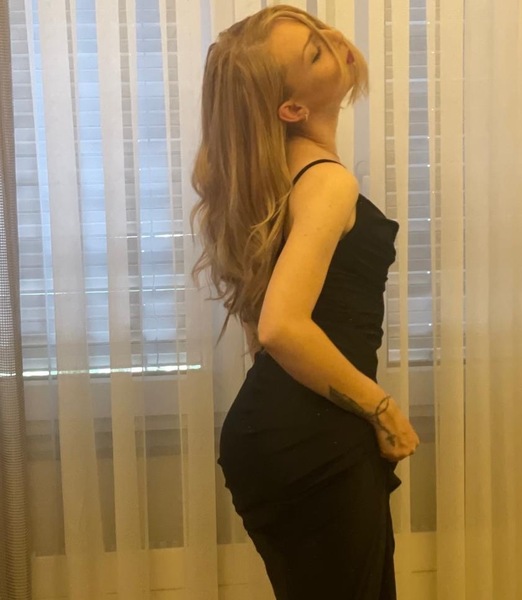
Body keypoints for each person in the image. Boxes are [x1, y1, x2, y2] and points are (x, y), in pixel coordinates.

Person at [190, 5, 420, 599]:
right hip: (314, 437)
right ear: (291, 109)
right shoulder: (328, 181)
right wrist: (382, 409)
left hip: (281, 434)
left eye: (318, 31)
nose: (335, 39)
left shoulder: (275, 179)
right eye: (315, 52)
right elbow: (280, 328)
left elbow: (262, 328)